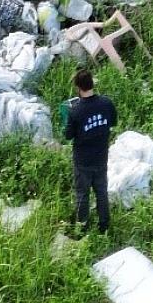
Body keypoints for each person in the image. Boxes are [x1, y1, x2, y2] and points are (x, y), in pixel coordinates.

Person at [63, 69, 117, 234]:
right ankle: (104, 226)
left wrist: (67, 120)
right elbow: (113, 122)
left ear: (78, 88)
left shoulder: (75, 111)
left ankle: (82, 227)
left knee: (82, 194)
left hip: (83, 162)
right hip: (101, 157)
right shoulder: (107, 103)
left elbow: (68, 136)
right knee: (101, 192)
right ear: (92, 84)